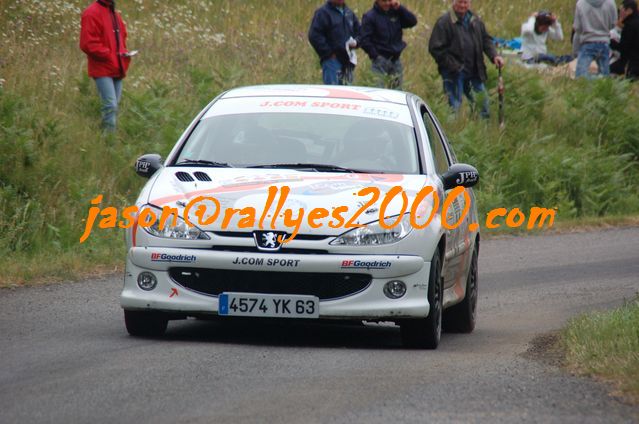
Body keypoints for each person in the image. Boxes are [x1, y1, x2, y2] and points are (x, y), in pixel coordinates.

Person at [429, 0, 504, 118]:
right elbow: (435, 48)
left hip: (475, 71)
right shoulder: (444, 22)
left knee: (482, 105)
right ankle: (453, 133)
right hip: (453, 73)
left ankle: (481, 133)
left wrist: (494, 56)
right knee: (454, 108)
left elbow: (486, 40)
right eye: (460, 2)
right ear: (454, 2)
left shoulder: (475, 20)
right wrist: (453, 66)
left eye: (466, 2)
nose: (463, 5)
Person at [80, 0, 131, 131]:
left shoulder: (113, 12)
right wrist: (109, 54)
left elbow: (122, 37)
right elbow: (87, 43)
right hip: (102, 68)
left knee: (114, 107)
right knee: (110, 106)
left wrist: (124, 53)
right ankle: (108, 142)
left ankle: (106, 138)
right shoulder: (91, 13)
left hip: (117, 66)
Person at [359, 0, 417, 89]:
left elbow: (412, 22)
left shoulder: (396, 13)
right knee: (377, 91)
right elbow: (364, 40)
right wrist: (375, 56)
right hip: (380, 61)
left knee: (397, 93)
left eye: (389, 0)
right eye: (384, 1)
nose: (387, 3)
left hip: (396, 60)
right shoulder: (370, 16)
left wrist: (400, 8)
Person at [308, 0, 360, 85]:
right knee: (333, 92)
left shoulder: (349, 13)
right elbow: (314, 35)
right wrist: (328, 53)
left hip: (348, 61)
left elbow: (360, 33)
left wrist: (356, 42)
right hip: (332, 61)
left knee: (348, 94)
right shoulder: (322, 13)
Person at [573, 0, 617, 78]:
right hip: (604, 42)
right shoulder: (611, 2)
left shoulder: (580, 3)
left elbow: (577, 28)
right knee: (605, 77)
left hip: (587, 42)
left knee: (580, 77)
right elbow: (613, 24)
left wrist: (575, 50)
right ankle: (600, 80)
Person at [618, 0, 639, 79]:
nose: (619, 13)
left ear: (629, 11)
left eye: (621, 10)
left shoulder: (629, 26)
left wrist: (611, 43)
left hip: (633, 65)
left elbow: (624, 47)